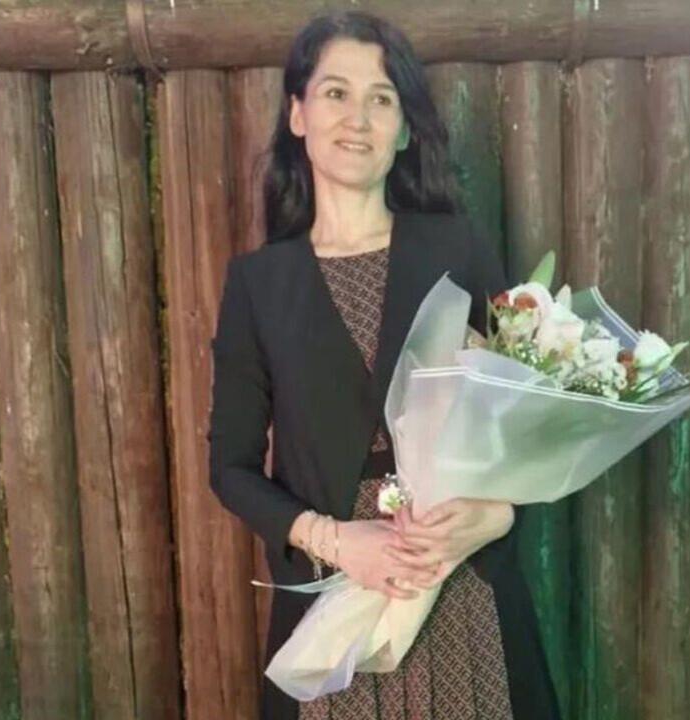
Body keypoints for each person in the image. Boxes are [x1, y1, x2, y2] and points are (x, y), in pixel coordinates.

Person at [208, 10, 561, 720]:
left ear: (402, 130)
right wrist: (337, 543)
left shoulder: (457, 247)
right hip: (339, 602)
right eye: (336, 93)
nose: (358, 118)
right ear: (298, 114)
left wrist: (495, 517)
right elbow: (231, 469)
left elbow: (532, 417)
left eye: (381, 99)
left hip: (461, 583)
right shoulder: (259, 285)